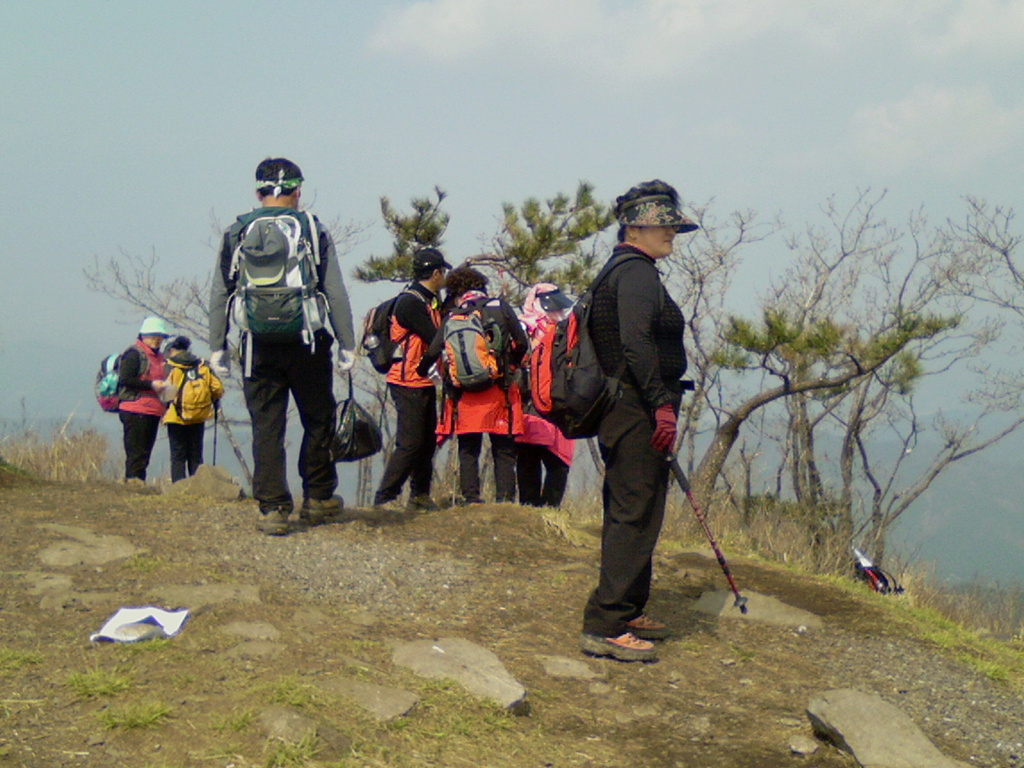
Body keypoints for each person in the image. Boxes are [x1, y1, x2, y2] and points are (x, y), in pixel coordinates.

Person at [578, 180, 698, 662]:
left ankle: (626, 607)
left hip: (628, 407)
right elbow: (635, 344)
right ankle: (605, 623)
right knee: (634, 510)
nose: (673, 233)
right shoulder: (635, 275)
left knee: (638, 508)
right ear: (636, 227)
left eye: (674, 225)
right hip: (636, 409)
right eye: (665, 225)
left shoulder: (626, 271)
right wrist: (660, 404)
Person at [208, 157, 356, 535]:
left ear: (258, 192)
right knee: (318, 418)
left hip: (257, 343)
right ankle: (318, 498)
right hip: (307, 340)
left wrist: (217, 345)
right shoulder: (311, 228)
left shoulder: (237, 231)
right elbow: (334, 290)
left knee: (266, 425)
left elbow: (220, 292)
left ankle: (273, 507)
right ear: (296, 192)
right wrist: (346, 342)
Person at [420, 266, 528, 504]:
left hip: (463, 394)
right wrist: (510, 366)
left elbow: (433, 351)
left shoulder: (453, 315)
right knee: (503, 449)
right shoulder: (500, 308)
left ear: (458, 291)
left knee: (468, 448)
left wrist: (422, 371)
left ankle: (471, 499)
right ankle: (505, 501)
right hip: (500, 389)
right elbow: (521, 342)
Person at [372, 247, 451, 512]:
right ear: (436, 272)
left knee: (427, 440)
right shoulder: (411, 302)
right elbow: (434, 337)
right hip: (406, 381)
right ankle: (385, 497)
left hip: (422, 380)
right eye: (443, 272)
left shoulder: (427, 299)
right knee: (411, 442)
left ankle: (419, 496)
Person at [516, 283, 575, 507]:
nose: (557, 313)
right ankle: (529, 509)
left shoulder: (562, 331)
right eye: (553, 308)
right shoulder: (524, 329)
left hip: (557, 402)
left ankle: (550, 510)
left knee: (558, 460)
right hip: (529, 402)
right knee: (529, 456)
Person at [161, 336, 224, 483]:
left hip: (176, 417)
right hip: (199, 415)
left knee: (178, 456)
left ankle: (179, 487)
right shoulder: (202, 365)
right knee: (196, 455)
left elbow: (166, 395)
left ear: (170, 350)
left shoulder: (171, 367)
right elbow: (217, 388)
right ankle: (198, 486)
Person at [117, 316, 171, 482]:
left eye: (159, 337)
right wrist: (151, 385)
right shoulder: (134, 354)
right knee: (136, 452)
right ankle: (133, 484)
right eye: (152, 336)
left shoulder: (160, 358)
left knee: (145, 452)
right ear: (143, 335)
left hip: (153, 410)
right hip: (135, 409)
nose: (156, 340)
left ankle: (136, 483)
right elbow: (125, 379)